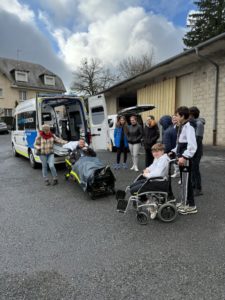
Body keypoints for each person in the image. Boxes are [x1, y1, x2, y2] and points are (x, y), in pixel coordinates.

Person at [129, 143, 170, 219]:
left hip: (158, 182)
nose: (155, 153)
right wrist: (147, 169)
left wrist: (146, 174)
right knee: (132, 186)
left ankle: (151, 205)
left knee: (134, 190)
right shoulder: (159, 158)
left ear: (162, 151)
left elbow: (158, 173)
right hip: (153, 180)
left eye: (157, 151)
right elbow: (153, 166)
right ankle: (149, 201)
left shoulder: (163, 160)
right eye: (153, 152)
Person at [170, 106, 197, 215]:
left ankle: (189, 206)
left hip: (185, 159)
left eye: (177, 115)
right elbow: (180, 144)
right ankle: (184, 202)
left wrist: (185, 157)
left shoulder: (189, 126)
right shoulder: (183, 126)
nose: (176, 117)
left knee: (186, 183)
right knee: (184, 182)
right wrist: (173, 151)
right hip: (181, 157)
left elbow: (192, 145)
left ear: (182, 116)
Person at [189, 106, 205, 196]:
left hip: (197, 151)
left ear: (193, 114)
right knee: (192, 169)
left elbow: (198, 139)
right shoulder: (193, 123)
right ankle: (193, 185)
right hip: (192, 150)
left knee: (195, 169)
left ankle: (198, 189)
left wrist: (193, 151)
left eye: (189, 114)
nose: (188, 116)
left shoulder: (199, 124)